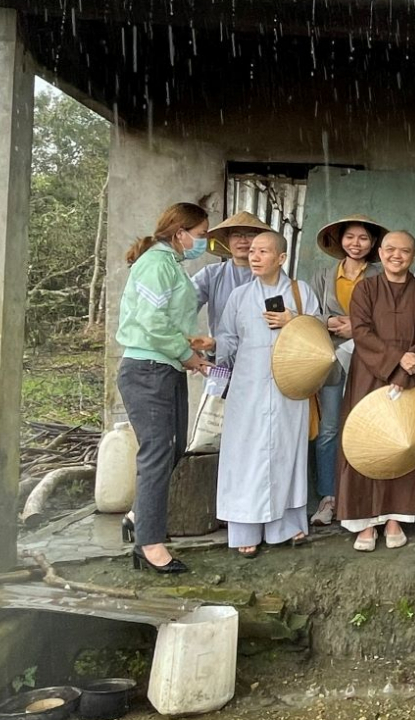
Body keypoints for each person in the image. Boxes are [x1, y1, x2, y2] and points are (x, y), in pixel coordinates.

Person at [115, 201, 213, 574]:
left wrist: (192, 347)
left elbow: (165, 320)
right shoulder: (157, 264)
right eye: (201, 235)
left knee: (173, 450)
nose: (202, 243)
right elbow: (151, 321)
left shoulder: (170, 264)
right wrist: (184, 352)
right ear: (180, 233)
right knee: (158, 452)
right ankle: (150, 545)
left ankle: (140, 517)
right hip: (148, 369)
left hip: (165, 365)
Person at [336, 231, 415, 551]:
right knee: (364, 442)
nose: (397, 255)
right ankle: (365, 522)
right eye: (390, 249)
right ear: (379, 253)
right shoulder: (366, 288)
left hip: (411, 377)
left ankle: (396, 518)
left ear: (414, 256)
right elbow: (362, 333)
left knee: (403, 442)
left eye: (405, 251)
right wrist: (397, 361)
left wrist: (407, 370)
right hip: (369, 376)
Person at [214, 232, 317, 555]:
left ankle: (286, 526)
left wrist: (294, 320)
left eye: (263, 251)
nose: (254, 256)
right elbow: (229, 340)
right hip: (249, 389)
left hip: (290, 386)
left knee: (286, 452)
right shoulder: (240, 296)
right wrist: (212, 348)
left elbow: (318, 337)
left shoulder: (301, 293)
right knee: (245, 455)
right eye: (253, 251)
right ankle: (245, 527)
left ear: (281, 258)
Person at [309, 214, 386, 527]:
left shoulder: (381, 275)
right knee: (329, 428)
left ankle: (363, 495)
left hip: (369, 360)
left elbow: (390, 317)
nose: (356, 244)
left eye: (363, 238)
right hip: (331, 360)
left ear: (372, 243)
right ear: (340, 240)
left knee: (366, 425)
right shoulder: (324, 276)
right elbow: (309, 316)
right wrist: (326, 322)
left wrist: (359, 327)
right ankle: (328, 497)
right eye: (351, 237)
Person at [191, 212, 273, 398]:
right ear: (227, 241)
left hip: (259, 364)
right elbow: (183, 306)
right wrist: (187, 347)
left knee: (254, 421)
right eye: (236, 235)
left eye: (250, 234)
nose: (243, 241)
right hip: (220, 361)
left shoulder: (272, 279)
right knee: (215, 417)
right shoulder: (211, 275)